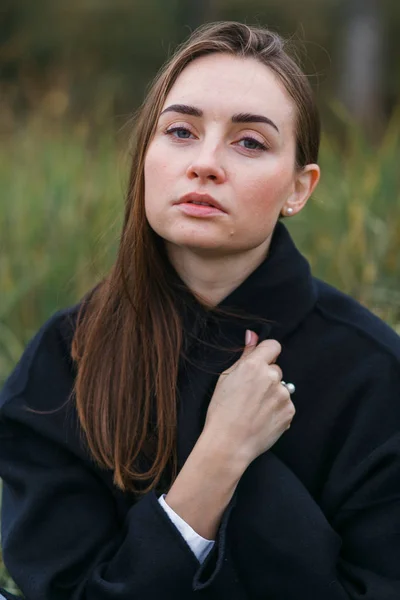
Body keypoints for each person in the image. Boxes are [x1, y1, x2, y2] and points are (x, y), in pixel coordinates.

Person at [0, 20, 399, 600]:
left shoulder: (376, 374)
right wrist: (219, 457)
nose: (206, 162)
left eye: (249, 142)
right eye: (181, 131)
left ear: (299, 188)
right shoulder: (65, 362)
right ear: (146, 156)